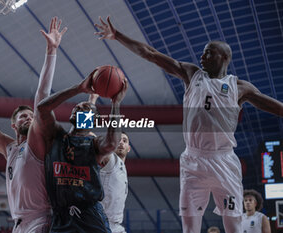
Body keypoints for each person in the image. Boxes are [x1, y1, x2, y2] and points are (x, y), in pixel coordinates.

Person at [94, 16, 283, 233]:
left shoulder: (240, 87)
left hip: (224, 161)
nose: (202, 56)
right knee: (190, 227)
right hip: (194, 161)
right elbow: (151, 54)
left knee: (234, 227)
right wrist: (117, 36)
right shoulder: (192, 74)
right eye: (203, 52)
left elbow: (277, 107)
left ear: (223, 57)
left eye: (208, 53)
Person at [0, 17, 67, 233]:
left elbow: (42, 96)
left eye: (31, 116)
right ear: (13, 125)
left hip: (41, 219)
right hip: (18, 224)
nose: (29, 118)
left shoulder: (37, 140)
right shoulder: (10, 148)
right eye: (23, 117)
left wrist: (51, 52)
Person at [37, 68, 128, 232]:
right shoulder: (56, 137)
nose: (82, 106)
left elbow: (111, 144)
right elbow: (42, 109)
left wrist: (116, 104)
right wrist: (78, 88)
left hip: (90, 217)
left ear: (94, 121)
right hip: (61, 217)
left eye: (87, 108)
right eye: (78, 107)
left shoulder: (94, 143)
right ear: (72, 115)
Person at [99, 131, 130, 233]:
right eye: (118, 140)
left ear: (128, 148)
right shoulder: (112, 160)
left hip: (116, 226)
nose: (121, 143)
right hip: (102, 224)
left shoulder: (122, 168)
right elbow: (99, 146)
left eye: (124, 141)